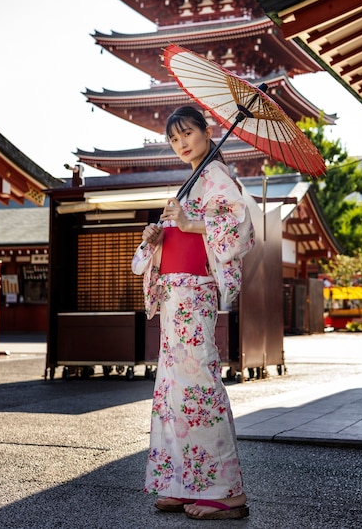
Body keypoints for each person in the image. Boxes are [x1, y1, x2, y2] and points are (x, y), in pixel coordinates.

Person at [132, 106, 255, 521]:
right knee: (173, 389)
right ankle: (181, 483)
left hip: (193, 293)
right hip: (174, 295)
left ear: (208, 132)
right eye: (174, 138)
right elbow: (183, 229)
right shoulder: (193, 179)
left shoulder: (217, 176)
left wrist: (190, 222)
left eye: (188, 133)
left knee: (199, 385)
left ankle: (225, 492)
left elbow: (239, 227)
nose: (182, 143)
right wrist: (157, 235)